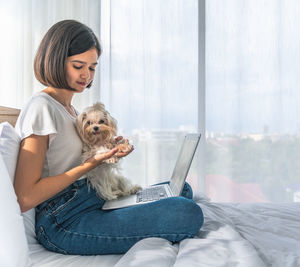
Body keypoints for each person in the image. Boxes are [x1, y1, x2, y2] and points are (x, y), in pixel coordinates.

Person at [13, 20, 204, 255]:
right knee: (186, 212)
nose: (86, 75)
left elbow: (73, 157)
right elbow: (25, 196)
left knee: (181, 190)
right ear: (55, 60)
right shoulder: (41, 107)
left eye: (92, 67)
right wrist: (90, 164)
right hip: (62, 220)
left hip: (91, 196)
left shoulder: (71, 111)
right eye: (78, 65)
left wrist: (107, 151)